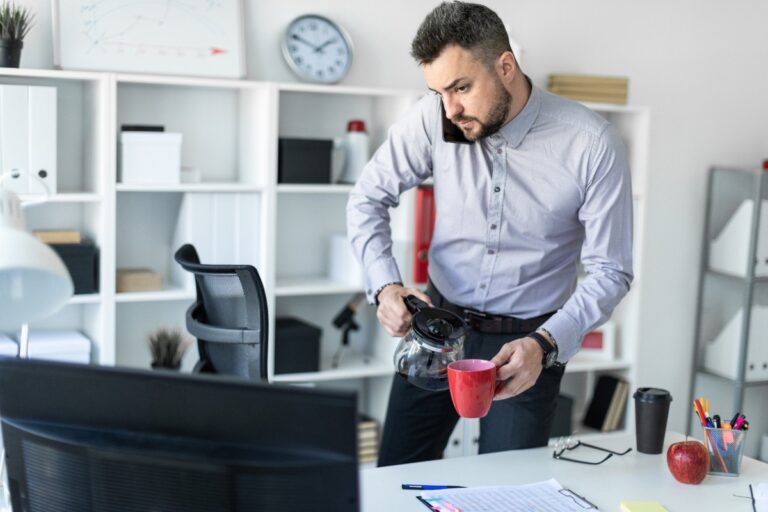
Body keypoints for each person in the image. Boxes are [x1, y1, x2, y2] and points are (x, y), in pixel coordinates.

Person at [347, 1, 633, 466]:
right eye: (439, 91)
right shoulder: (434, 117)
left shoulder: (592, 144)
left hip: (528, 346)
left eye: (461, 87)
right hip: (436, 328)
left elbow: (611, 271)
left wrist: (545, 345)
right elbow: (367, 198)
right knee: (396, 474)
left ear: (505, 67)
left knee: (507, 489)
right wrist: (385, 287)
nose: (451, 109)